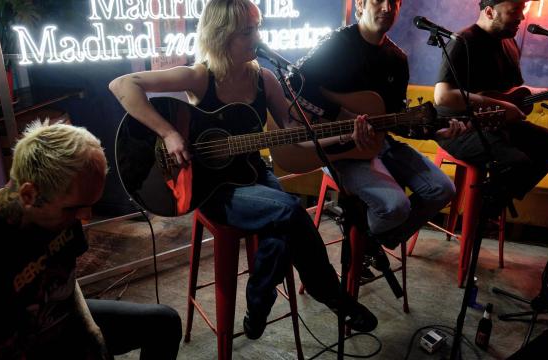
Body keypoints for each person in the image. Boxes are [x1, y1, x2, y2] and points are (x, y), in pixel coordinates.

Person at [109, 0, 377, 340]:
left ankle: (257, 304)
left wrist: (344, 134)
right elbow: (122, 85)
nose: (257, 37)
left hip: (254, 176)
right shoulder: (200, 76)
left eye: (257, 28)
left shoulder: (265, 79)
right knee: (291, 210)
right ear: (222, 36)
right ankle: (330, 293)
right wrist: (170, 132)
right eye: (247, 31)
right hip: (213, 188)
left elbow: (300, 135)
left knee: (280, 238)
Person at [0, 121, 182, 359]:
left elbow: (67, 280)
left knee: (164, 323)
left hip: (58, 319)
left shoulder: (59, 206)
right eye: (76, 209)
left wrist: (91, 330)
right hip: (11, 347)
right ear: (29, 195)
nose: (85, 217)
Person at [286, 0, 460, 271]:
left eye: (394, 2)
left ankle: (369, 238)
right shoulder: (337, 44)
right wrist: (345, 119)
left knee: (443, 189)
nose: (387, 8)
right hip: (340, 152)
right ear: (360, 6)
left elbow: (398, 121)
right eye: (378, 0)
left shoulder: (397, 59)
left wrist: (435, 130)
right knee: (396, 206)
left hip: (381, 143)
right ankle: (373, 234)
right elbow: (293, 83)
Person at [434, 0, 548, 212]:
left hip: (497, 123)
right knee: (516, 162)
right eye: (515, 11)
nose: (521, 17)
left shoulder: (509, 43)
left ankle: (491, 204)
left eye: (522, 10)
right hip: (458, 127)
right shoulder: (462, 42)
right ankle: (484, 211)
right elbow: (443, 97)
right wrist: (499, 104)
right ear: (490, 12)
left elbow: (512, 93)